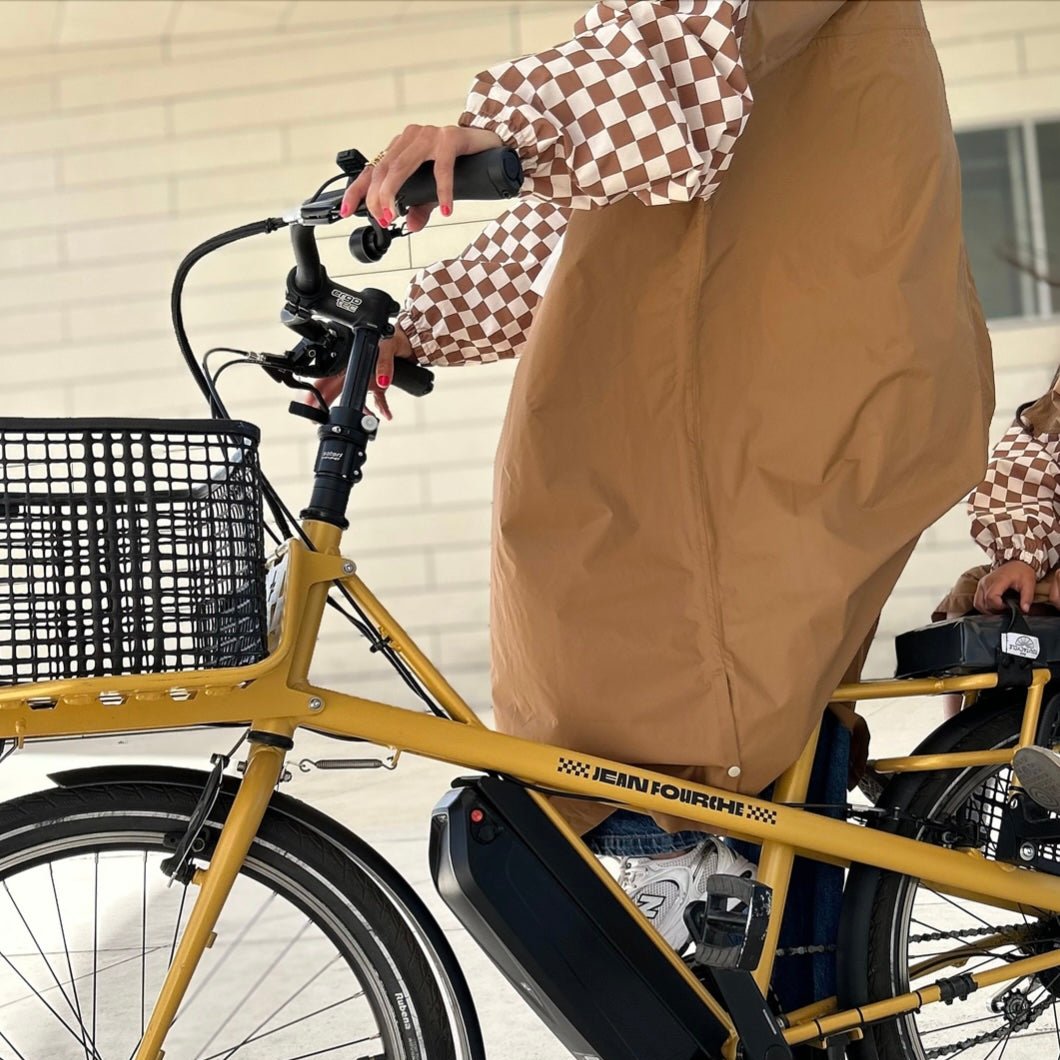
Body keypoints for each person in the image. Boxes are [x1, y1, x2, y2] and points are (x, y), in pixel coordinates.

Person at [326, 0, 993, 953]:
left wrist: (509, 123)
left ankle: (683, 887)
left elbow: (686, 53)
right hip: (746, 365)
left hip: (779, 366)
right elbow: (579, 223)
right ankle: (768, 958)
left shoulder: (683, 39)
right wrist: (405, 325)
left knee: (620, 620)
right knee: (671, 658)